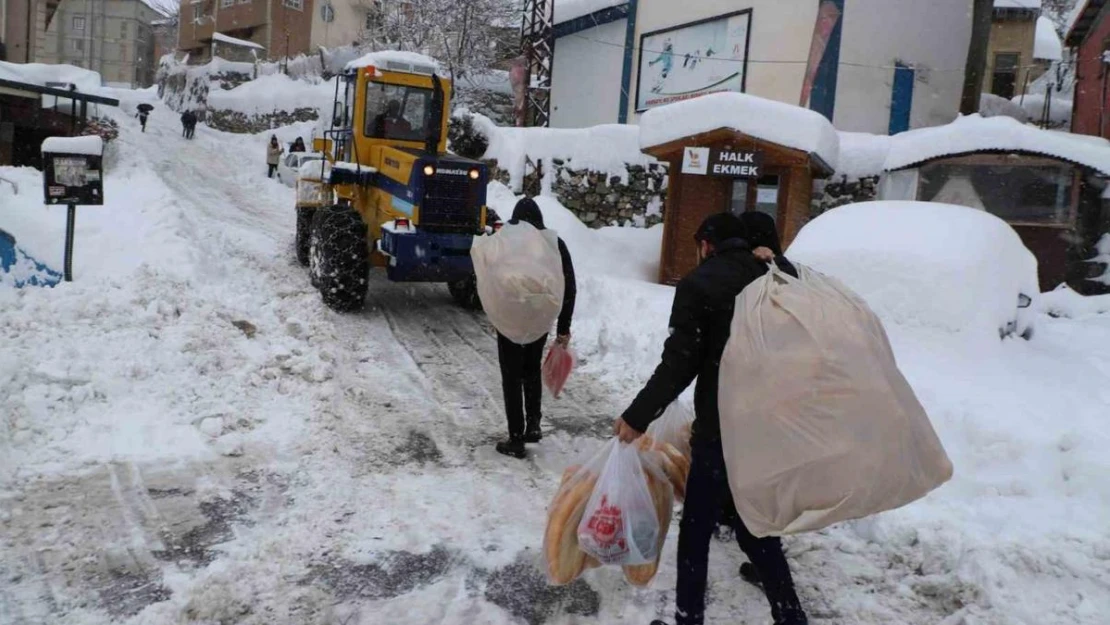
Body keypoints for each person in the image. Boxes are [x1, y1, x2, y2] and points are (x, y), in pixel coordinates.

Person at [613, 212, 808, 625]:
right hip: (767, 425)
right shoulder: (769, 273)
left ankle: (689, 618)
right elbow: (805, 301)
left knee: (697, 531)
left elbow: (678, 365)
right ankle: (790, 616)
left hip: (722, 431)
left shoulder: (699, 285)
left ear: (706, 244)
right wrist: (777, 260)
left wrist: (637, 417)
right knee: (754, 526)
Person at [495, 197, 576, 459]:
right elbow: (569, 287)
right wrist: (563, 327)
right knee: (530, 370)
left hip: (510, 319)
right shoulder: (553, 245)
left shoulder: (506, 245)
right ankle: (533, 425)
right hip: (538, 319)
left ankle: (516, 438)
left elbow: (491, 278)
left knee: (511, 377)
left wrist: (495, 312)